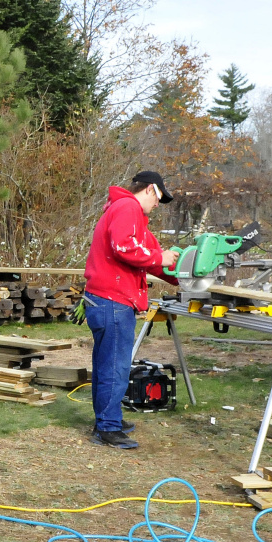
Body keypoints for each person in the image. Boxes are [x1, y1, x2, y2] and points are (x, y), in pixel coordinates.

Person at [82, 171, 180, 449]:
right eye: (160, 197)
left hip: (104, 299)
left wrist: (183, 274)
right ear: (150, 189)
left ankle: (107, 417)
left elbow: (146, 257)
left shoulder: (126, 211)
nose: (158, 204)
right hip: (112, 301)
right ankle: (107, 428)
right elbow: (124, 247)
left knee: (106, 365)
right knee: (115, 366)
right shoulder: (128, 207)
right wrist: (161, 257)